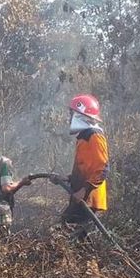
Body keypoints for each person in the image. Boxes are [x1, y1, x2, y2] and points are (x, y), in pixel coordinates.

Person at [54, 94, 109, 226]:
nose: (69, 117)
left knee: (70, 231)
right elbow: (86, 168)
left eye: (72, 113)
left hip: (89, 198)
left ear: (79, 115)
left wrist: (83, 190)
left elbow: (102, 169)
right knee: (72, 231)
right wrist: (68, 178)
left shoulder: (94, 136)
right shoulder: (84, 137)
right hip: (83, 197)